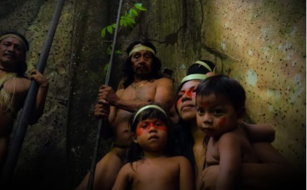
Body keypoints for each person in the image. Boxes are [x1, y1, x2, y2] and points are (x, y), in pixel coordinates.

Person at [175, 60, 300, 190]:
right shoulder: (172, 144)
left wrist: (220, 173)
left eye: (193, 90)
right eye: (180, 95)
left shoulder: (238, 136)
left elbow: (292, 176)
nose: (185, 97)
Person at [75, 39, 174, 190]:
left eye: (147, 56)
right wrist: (103, 116)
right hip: (119, 151)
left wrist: (117, 101)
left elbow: (160, 108)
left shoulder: (162, 83)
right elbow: (107, 134)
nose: (141, 60)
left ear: (153, 61)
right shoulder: (120, 92)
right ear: (130, 62)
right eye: (137, 56)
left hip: (148, 152)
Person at [0, 31, 49, 187]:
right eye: (7, 44)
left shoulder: (26, 84)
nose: (11, 49)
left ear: (22, 56)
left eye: (17, 48)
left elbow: (31, 118)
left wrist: (43, 86)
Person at [196, 74, 258, 190]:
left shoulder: (228, 138)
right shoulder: (214, 134)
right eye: (200, 111)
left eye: (217, 112)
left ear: (239, 115)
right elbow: (268, 132)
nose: (206, 119)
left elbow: (229, 174)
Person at [112, 104, 195, 190]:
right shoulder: (129, 169)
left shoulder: (180, 163)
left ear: (168, 132)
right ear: (135, 138)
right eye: (144, 126)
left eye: (158, 124)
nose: (152, 129)